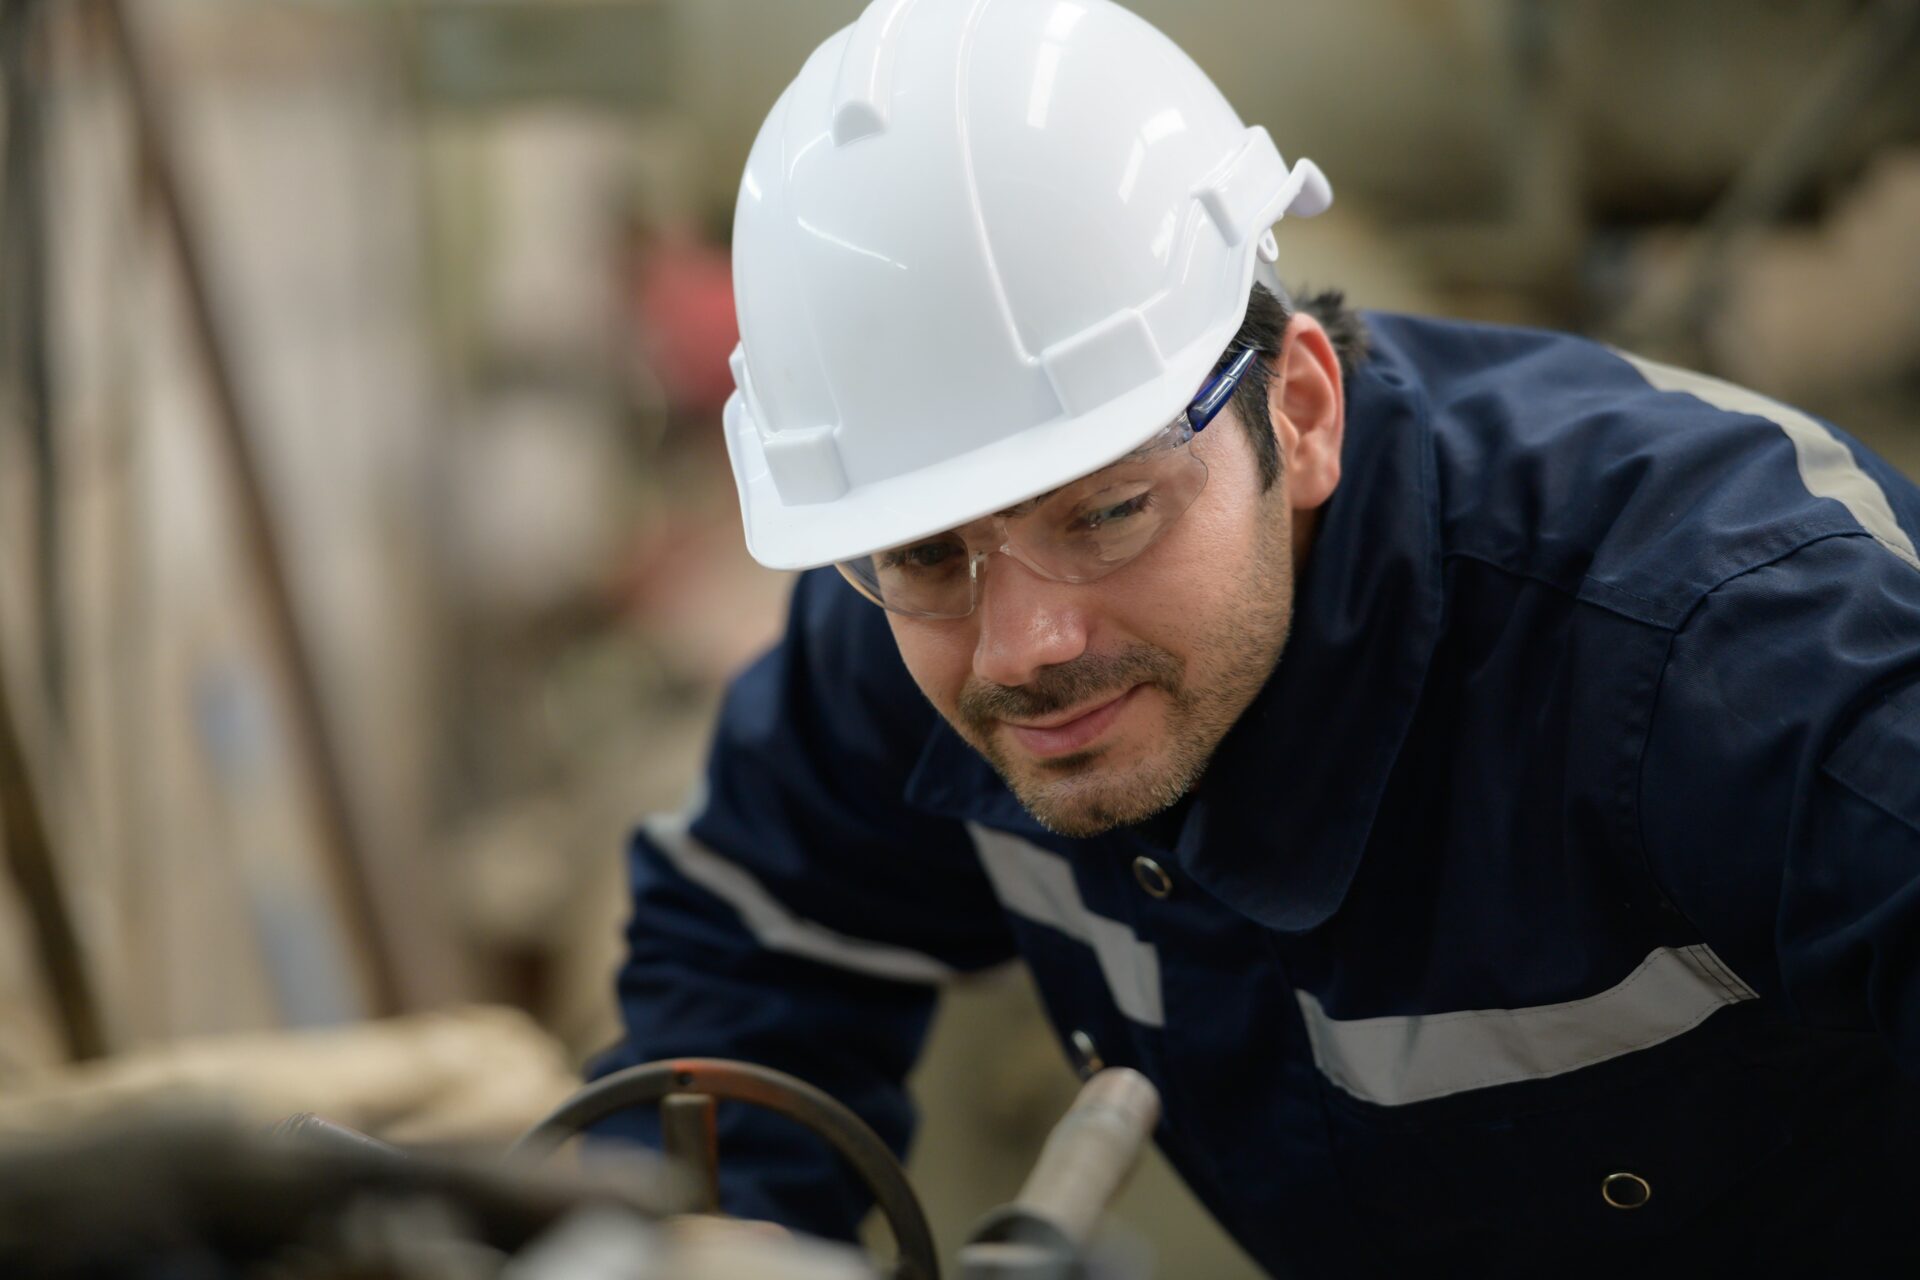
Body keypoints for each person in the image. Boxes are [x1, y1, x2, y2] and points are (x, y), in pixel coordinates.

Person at [590, 0, 1920, 1270]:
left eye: (1108, 514)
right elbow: (749, 939)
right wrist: (725, 1233)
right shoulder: (913, 615)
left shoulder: (1720, 648)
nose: (1023, 647)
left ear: (1300, 410)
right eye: (927, 551)